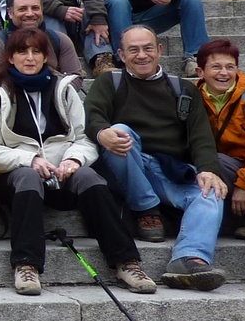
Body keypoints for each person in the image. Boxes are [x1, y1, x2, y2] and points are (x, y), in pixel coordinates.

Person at [0, 27, 156, 296]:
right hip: (16, 179)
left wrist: (73, 159)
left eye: (37, 51)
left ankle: (126, 262)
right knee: (28, 176)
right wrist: (30, 159)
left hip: (62, 174)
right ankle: (26, 264)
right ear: (11, 57)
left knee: (90, 177)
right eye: (22, 52)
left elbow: (84, 138)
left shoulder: (63, 89)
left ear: (46, 56)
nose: (30, 58)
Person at [85, 26, 228, 291]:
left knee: (211, 192)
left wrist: (208, 169)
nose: (142, 55)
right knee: (120, 131)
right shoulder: (109, 82)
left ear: (160, 50)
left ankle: (189, 259)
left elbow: (201, 136)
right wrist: (101, 132)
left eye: (148, 48)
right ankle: (146, 209)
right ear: (121, 55)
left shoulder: (183, 89)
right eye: (133, 50)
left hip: (168, 170)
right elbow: (92, 116)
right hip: (129, 162)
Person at [194, 39, 245, 229]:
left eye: (230, 67)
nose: (224, 73)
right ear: (200, 72)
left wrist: (243, 184)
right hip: (218, 166)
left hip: (241, 168)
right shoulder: (191, 97)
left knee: (216, 162)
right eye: (216, 67)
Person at [0, 0, 84, 77]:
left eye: (35, 8)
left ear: (42, 10)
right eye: (22, 9)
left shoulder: (60, 40)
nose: (30, 14)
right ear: (10, 13)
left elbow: (74, 77)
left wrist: (54, 92)